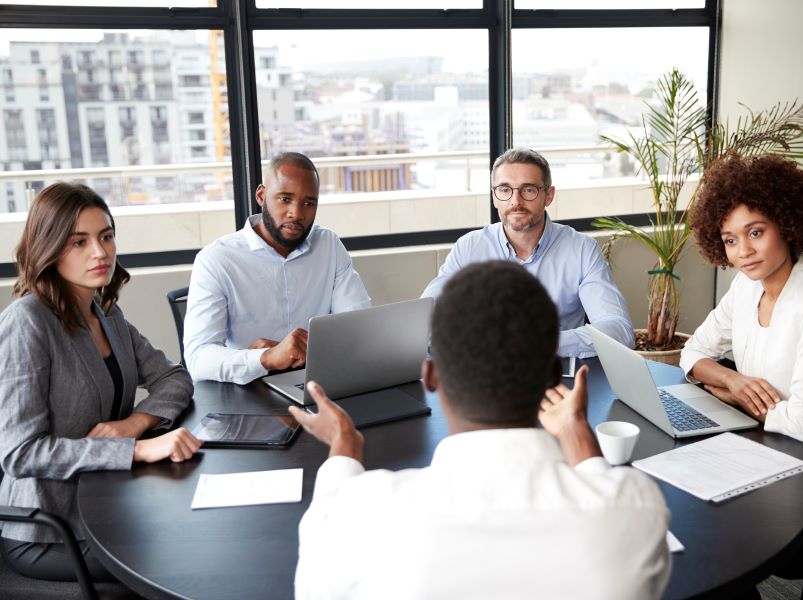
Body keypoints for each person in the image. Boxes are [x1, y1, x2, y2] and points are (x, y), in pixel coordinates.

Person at [291, 261, 671, 600]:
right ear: (554, 376)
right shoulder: (635, 508)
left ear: (431, 376)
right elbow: (607, 498)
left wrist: (344, 447)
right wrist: (578, 437)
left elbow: (311, 588)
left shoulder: (361, 518)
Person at [0, 183, 202, 582]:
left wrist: (133, 426)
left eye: (106, 236)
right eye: (80, 242)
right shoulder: (27, 323)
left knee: (201, 535)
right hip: (49, 529)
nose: (101, 251)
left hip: (111, 502)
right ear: (50, 248)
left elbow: (174, 377)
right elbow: (20, 453)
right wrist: (135, 451)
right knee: (182, 561)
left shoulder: (106, 312)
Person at [681, 153, 803, 530]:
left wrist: (732, 396)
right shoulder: (746, 285)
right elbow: (693, 352)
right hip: (766, 452)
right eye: (730, 239)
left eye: (756, 232)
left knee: (710, 525)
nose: (743, 251)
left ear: (787, 225)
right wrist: (733, 382)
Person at [421, 148, 633, 357]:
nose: (516, 201)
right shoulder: (469, 247)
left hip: (553, 376)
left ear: (548, 196)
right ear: (494, 197)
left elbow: (618, 331)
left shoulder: (582, 249)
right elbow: (423, 323)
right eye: (505, 190)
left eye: (529, 189)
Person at [183, 151, 371, 384]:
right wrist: (266, 358)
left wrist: (306, 350)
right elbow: (198, 360)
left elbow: (358, 329)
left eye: (308, 203)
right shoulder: (216, 260)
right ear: (261, 196)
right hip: (246, 393)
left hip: (315, 384)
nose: (297, 213)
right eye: (285, 199)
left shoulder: (329, 245)